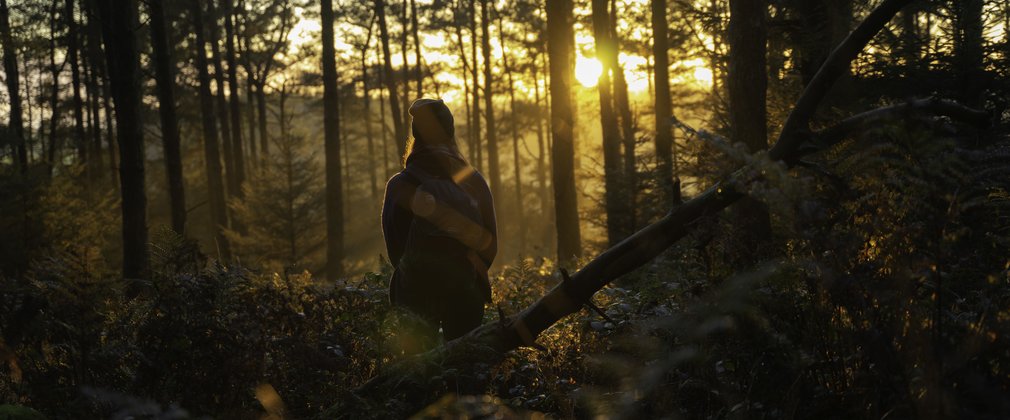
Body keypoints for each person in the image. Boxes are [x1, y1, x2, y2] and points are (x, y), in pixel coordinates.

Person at [381, 98, 497, 342]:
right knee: (465, 366)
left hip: (416, 292)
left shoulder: (401, 185)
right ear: (450, 132)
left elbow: (395, 249)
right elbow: (489, 245)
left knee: (421, 370)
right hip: (466, 292)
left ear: (416, 135)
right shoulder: (474, 182)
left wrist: (419, 273)